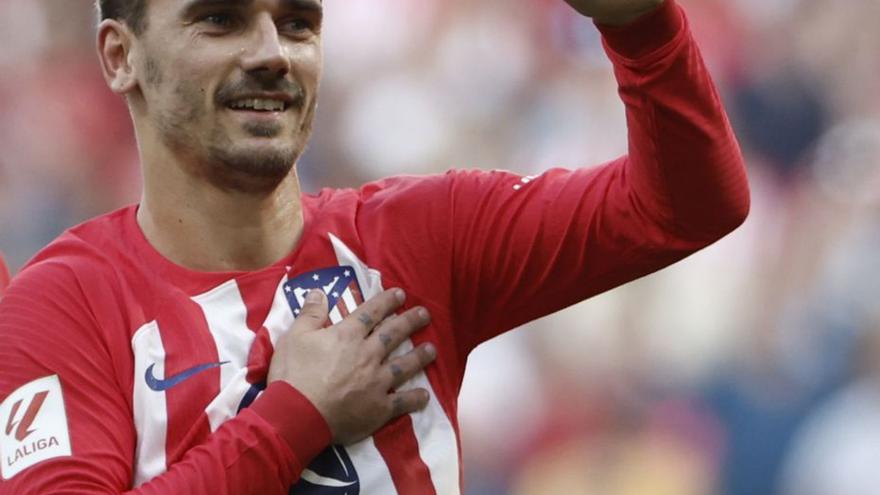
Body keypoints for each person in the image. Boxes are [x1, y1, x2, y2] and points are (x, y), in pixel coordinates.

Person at [0, 0, 750, 493]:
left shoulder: (420, 237)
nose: (273, 53)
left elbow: (685, 205)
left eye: (297, 23)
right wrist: (294, 415)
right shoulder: (61, 304)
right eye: (220, 19)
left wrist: (644, 28)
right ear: (118, 55)